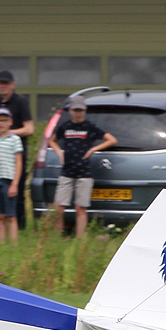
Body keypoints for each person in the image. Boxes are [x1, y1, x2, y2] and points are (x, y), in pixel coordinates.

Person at [45, 95, 117, 235]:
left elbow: (111, 140)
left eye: (81, 110)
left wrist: (93, 149)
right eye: (75, 110)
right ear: (70, 110)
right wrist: (59, 152)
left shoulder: (89, 127)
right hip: (66, 172)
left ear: (84, 111)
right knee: (59, 208)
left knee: (80, 208)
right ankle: (57, 238)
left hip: (84, 172)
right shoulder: (65, 127)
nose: (78, 113)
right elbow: (51, 140)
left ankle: (80, 239)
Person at [0, 70, 33, 230]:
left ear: (13, 85)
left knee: (17, 192)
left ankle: (19, 228)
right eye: (1, 83)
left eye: (6, 83)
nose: (3, 86)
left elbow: (29, 129)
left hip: (17, 153)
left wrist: (7, 133)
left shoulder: (20, 101)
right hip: (0, 154)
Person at [0, 107, 24, 244]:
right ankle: (2, 244)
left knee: (11, 216)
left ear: (10, 122)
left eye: (4, 120)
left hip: (9, 180)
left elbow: (19, 163)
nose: (1, 123)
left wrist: (14, 184)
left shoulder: (15, 139)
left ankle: (14, 245)